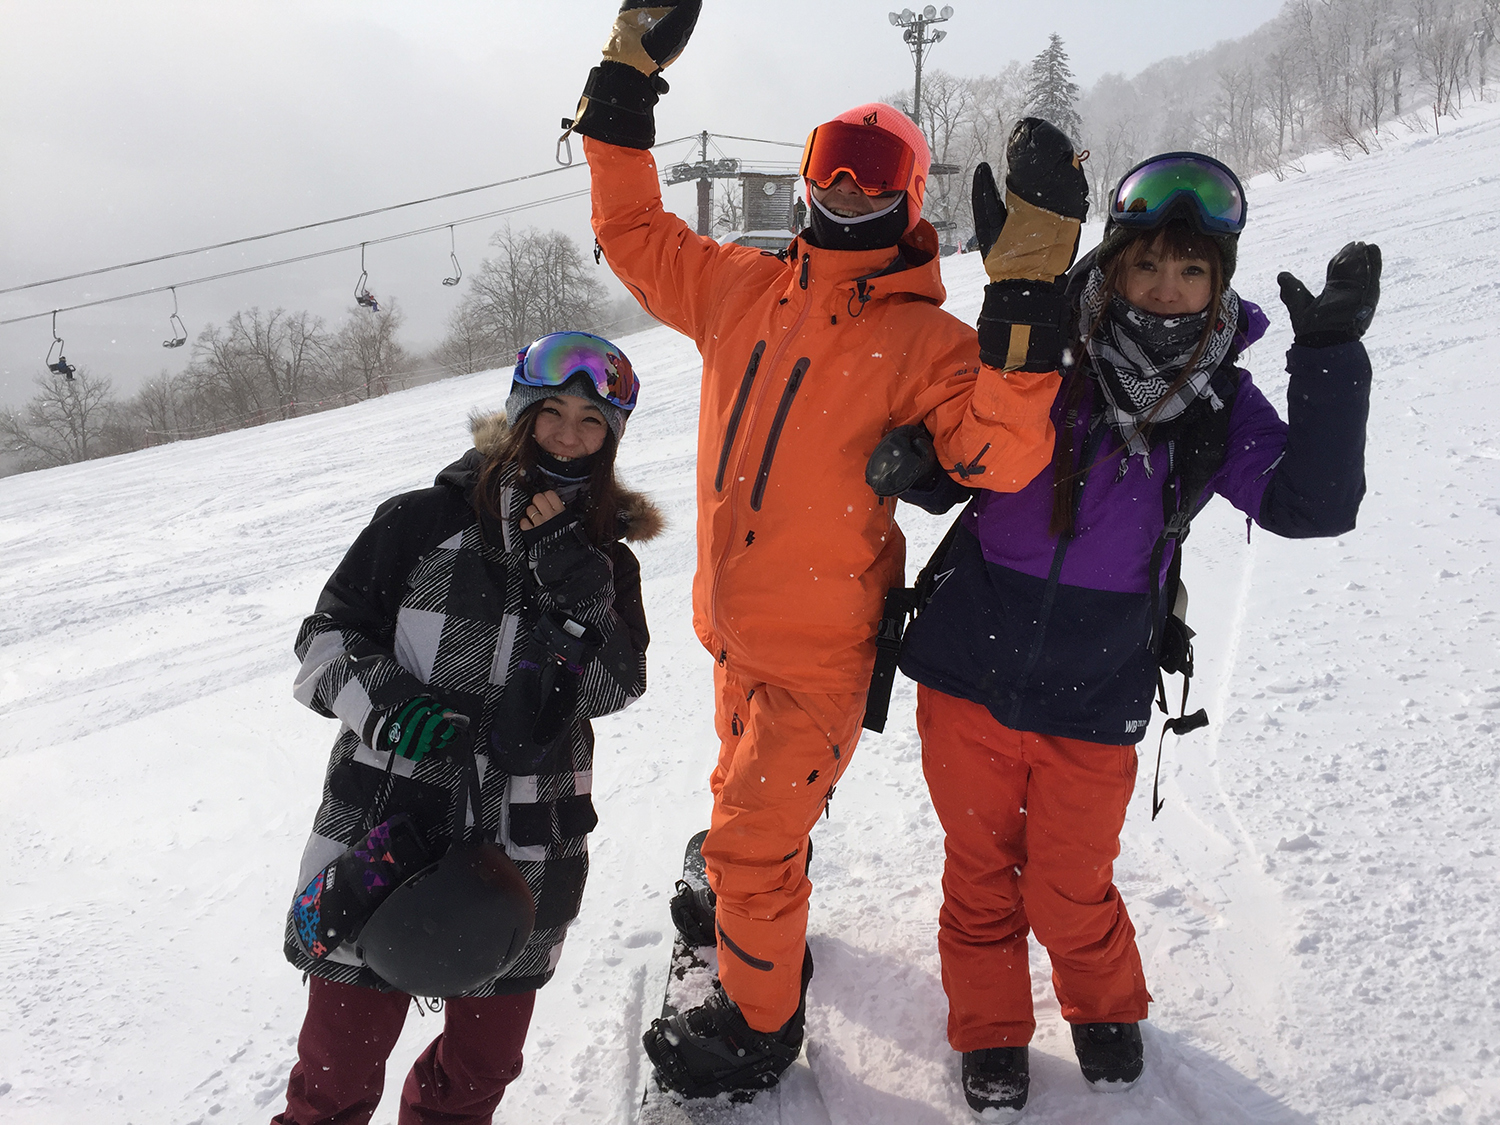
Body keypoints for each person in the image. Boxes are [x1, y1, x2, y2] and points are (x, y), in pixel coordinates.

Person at [563, 0, 1091, 1100]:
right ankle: (746, 896)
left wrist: (1028, 293)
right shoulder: (742, 291)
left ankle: (758, 1025)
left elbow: (1001, 452)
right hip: (734, 626)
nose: (849, 189)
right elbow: (632, 234)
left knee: (757, 833)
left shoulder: (927, 343)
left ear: (909, 195)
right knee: (739, 789)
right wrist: (623, 88)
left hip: (822, 651)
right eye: (834, 166)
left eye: (875, 173)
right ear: (808, 176)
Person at [881, 151, 1380, 1115]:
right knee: (981, 870)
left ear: (1219, 281)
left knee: (1071, 880)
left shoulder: (1217, 405)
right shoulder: (1041, 358)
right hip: (969, 666)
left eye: (1191, 271)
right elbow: (964, 456)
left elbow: (1313, 505)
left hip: (1098, 681)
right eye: (1147, 264)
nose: (1165, 287)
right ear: (1110, 262)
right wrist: (918, 466)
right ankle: (988, 1027)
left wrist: (1328, 362)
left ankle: (1104, 1002)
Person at [271, 330, 662, 1125]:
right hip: (386, 826)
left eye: (592, 421)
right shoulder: (420, 523)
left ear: (612, 437)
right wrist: (385, 706)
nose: (568, 433)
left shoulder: (606, 563)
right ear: (521, 414)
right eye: (552, 411)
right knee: (334, 1073)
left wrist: (568, 565)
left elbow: (617, 681)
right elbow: (325, 641)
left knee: (479, 1072)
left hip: (525, 845)